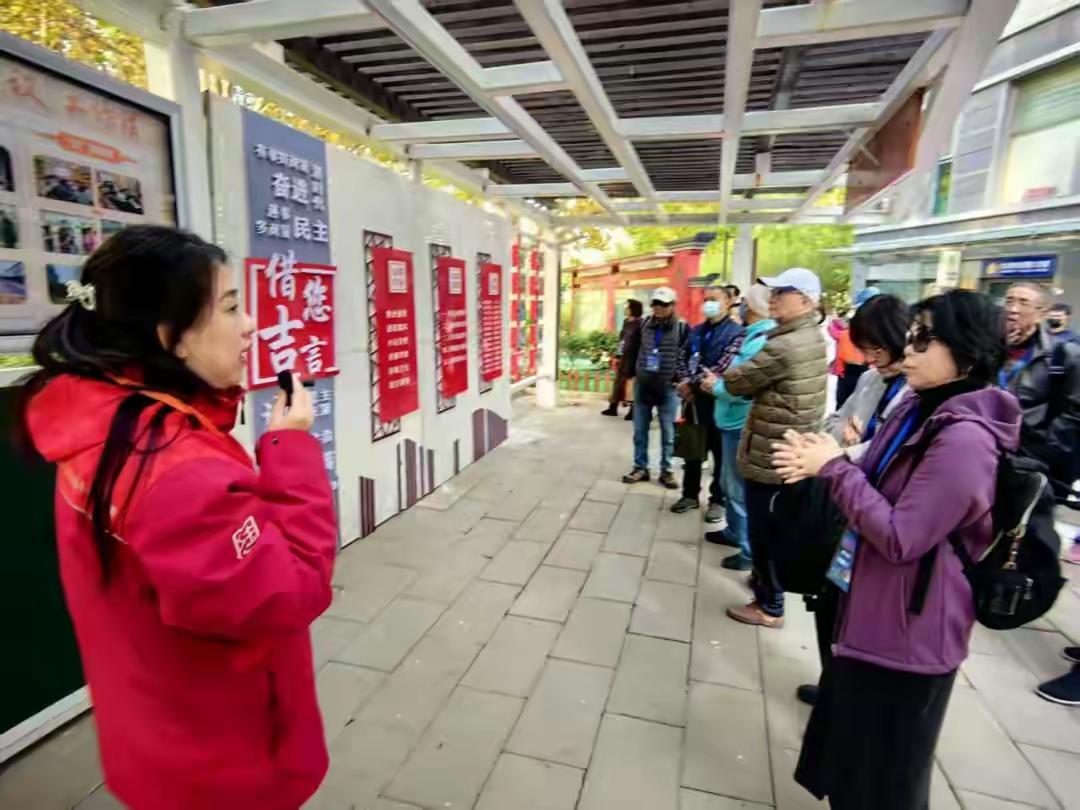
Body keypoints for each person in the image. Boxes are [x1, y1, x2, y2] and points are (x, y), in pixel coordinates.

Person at [19, 226, 337, 810]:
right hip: (224, 769)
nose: (250, 326)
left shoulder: (103, 421)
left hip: (159, 740)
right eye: (232, 307)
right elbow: (291, 591)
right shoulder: (174, 468)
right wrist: (291, 450)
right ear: (173, 337)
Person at [773, 289, 1020, 810]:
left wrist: (833, 468)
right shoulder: (916, 406)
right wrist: (829, 456)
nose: (908, 352)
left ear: (969, 351)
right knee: (852, 764)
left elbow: (903, 535)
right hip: (871, 610)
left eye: (925, 341)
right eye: (911, 337)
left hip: (911, 631)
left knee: (885, 778)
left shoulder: (965, 439)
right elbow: (870, 470)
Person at [793, 293, 912, 706]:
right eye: (866, 350)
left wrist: (853, 449)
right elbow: (838, 417)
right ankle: (832, 684)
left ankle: (847, 696)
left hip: (878, 513)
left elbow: (894, 454)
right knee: (829, 601)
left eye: (877, 349)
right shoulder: (871, 377)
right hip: (846, 503)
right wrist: (830, 441)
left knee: (859, 614)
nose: (871, 358)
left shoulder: (919, 394)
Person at [722, 267, 828, 628]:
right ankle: (768, 590)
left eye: (782, 291)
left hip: (773, 455)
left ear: (805, 300)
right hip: (789, 449)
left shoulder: (785, 345)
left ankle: (770, 606)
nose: (773, 297)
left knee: (765, 532)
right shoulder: (809, 335)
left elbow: (736, 381)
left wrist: (734, 372)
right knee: (773, 528)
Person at [702, 285, 775, 570]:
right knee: (727, 481)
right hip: (730, 418)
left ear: (754, 306)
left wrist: (715, 386)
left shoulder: (762, 339)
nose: (741, 306)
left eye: (745, 302)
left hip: (739, 421)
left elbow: (743, 383)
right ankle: (733, 532)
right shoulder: (752, 334)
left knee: (737, 487)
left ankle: (746, 551)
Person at [1000, 283, 1080, 502]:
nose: (1013, 309)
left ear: (1041, 313)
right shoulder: (991, 347)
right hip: (988, 453)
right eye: (1009, 300)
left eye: (1023, 302)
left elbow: (1075, 413)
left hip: (1030, 461)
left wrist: (1045, 450)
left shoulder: (1065, 355)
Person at [671, 284, 743, 519]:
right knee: (693, 449)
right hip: (693, 402)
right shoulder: (697, 330)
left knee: (720, 454)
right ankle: (690, 494)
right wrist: (683, 381)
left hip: (719, 401)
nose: (709, 303)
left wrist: (691, 384)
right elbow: (682, 356)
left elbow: (724, 366)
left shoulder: (736, 333)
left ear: (727, 302)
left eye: (714, 299)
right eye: (706, 299)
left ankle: (717, 500)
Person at [624, 286, 687, 489]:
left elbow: (689, 355)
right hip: (643, 385)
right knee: (640, 430)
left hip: (668, 388)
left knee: (668, 432)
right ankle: (640, 467)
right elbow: (632, 350)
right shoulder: (643, 325)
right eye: (656, 304)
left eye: (664, 304)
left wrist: (681, 379)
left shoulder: (682, 328)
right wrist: (631, 376)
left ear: (672, 305)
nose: (659, 308)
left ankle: (666, 471)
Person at [602, 298, 643, 421]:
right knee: (618, 381)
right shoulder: (626, 322)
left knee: (631, 383)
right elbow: (622, 340)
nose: (625, 309)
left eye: (627, 307)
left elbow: (641, 342)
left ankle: (633, 410)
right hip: (624, 356)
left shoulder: (641, 323)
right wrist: (618, 354)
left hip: (634, 357)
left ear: (633, 309)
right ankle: (613, 407)